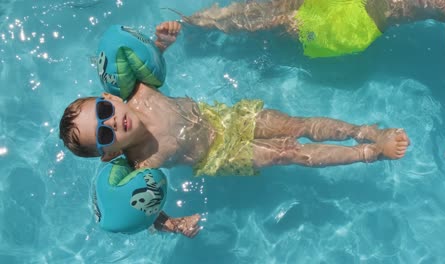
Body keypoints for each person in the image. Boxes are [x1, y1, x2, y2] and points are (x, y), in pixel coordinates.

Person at [60, 21, 409, 238]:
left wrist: (162, 42)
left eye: (104, 110)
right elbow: (144, 208)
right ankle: (367, 154)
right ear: (109, 152)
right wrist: (174, 224)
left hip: (227, 117)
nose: (112, 122)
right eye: (104, 133)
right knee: (292, 152)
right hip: (223, 155)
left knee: (296, 123)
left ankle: (367, 131)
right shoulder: (142, 163)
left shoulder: (139, 90)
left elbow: (153, 59)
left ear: (108, 96)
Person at [180, 0, 445, 126]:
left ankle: (197, 25)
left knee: (275, 21)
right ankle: (199, 24)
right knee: (273, 13)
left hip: (350, 23)